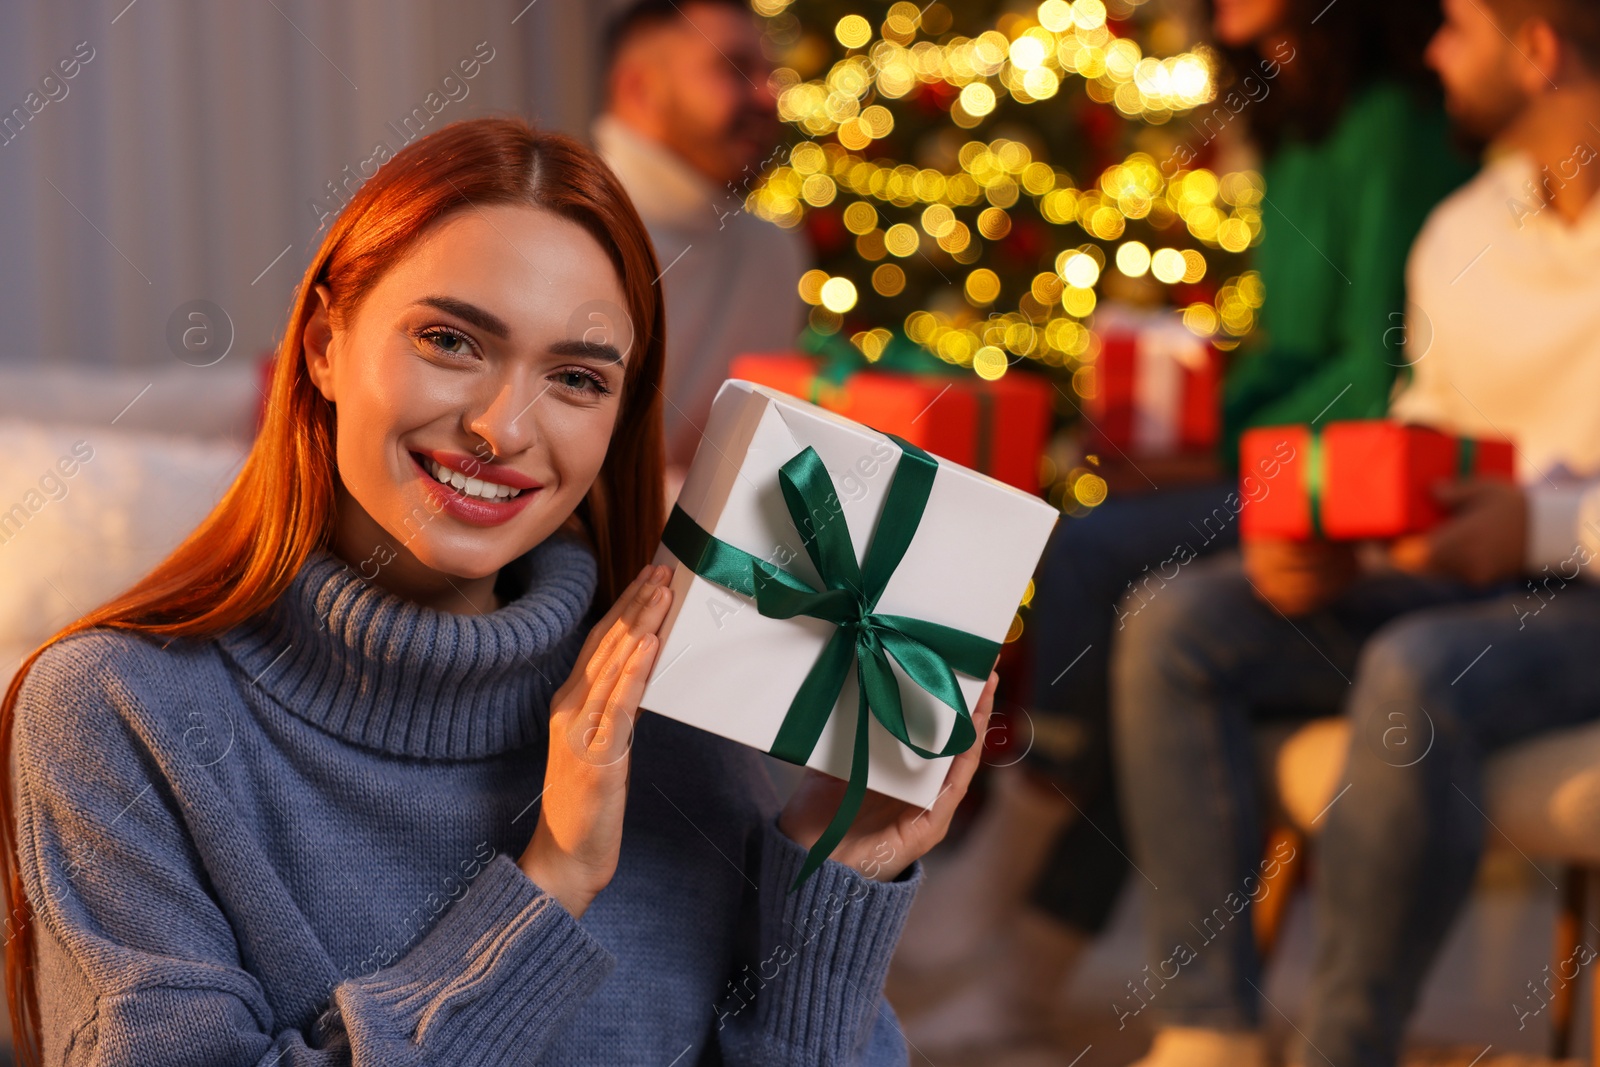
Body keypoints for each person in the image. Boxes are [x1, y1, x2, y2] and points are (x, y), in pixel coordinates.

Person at [0, 118, 998, 1066]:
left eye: (574, 377)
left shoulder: (687, 713)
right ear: (322, 345)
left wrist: (841, 874)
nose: (503, 427)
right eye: (452, 341)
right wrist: (551, 878)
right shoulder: (118, 712)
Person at [891, 0, 1473, 1055]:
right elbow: (1290, 349)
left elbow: (1382, 364)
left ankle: (1018, 855)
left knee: (1099, 550)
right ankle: (1030, 964)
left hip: (1359, 466)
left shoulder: (1390, 120)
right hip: (1288, 444)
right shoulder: (1299, 120)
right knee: (1124, 606)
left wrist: (1221, 455)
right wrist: (1199, 430)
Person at [1113, 0, 1600, 1062]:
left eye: (1456, 27)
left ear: (1538, 48)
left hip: (1579, 600)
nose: (1430, 52)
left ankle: (1344, 1045)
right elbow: (1426, 431)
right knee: (1174, 620)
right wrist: (1344, 533)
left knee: (1414, 665)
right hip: (1468, 578)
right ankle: (1210, 1032)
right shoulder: (1467, 228)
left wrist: (1545, 522)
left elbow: (1525, 523)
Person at [594, 0, 808, 473]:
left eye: (771, 75)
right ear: (640, 90)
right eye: (734, 70)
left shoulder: (773, 252)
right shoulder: (566, 232)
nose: (768, 96)